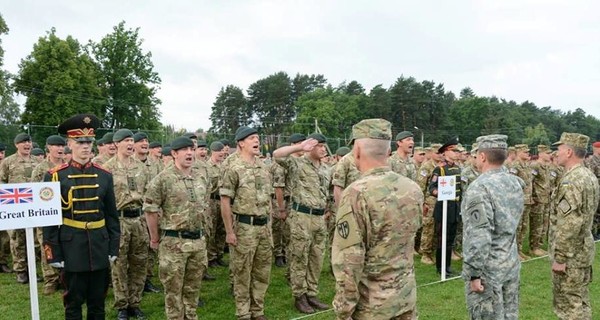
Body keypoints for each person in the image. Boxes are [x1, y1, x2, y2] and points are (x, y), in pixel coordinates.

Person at [332, 119, 422, 320]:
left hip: (372, 307)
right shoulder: (412, 189)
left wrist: (343, 310)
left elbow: (349, 261)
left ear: (356, 150)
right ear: (388, 150)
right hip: (405, 299)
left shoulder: (356, 193)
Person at [42, 114, 120, 319]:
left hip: (99, 244)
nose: (85, 146)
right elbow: (49, 220)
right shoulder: (55, 175)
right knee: (73, 303)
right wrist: (53, 253)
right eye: (80, 142)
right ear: (70, 143)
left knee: (98, 303)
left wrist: (113, 247)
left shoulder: (104, 175)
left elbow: (112, 216)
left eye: (89, 142)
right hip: (72, 245)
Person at [143, 136, 209, 320]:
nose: (190, 153)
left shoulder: (201, 177)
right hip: (174, 243)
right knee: (173, 291)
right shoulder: (162, 179)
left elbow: (204, 206)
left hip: (197, 242)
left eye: (191, 149)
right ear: (174, 154)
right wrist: (154, 238)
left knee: (193, 288)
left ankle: (191, 316)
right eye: (184, 150)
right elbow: (150, 210)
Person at [461, 134, 524, 319]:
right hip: (510, 260)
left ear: (482, 157)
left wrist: (474, 273)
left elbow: (479, 235)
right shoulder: (515, 182)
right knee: (509, 314)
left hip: (488, 268)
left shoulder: (479, 188)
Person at [273, 133, 331, 314]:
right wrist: (299, 147)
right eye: (319, 146)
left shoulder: (325, 168)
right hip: (301, 217)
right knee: (299, 257)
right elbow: (277, 154)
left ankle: (312, 293)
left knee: (316, 257)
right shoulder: (296, 163)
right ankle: (299, 296)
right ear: (310, 147)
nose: (323, 149)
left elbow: (326, 192)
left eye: (324, 146)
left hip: (319, 218)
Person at [220, 127, 272, 320]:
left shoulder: (263, 166)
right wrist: (229, 231)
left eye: (258, 137)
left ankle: (258, 311)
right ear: (241, 143)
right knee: (242, 271)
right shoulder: (232, 167)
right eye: (252, 138)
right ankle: (243, 312)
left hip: (264, 227)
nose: (257, 140)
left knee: (262, 271)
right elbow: (225, 201)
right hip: (244, 227)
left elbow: (268, 199)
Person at [549, 132, 599, 320]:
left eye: (559, 149)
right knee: (580, 300)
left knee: (570, 306)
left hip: (571, 254)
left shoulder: (572, 181)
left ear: (569, 152)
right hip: (582, 249)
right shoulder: (587, 174)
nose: (556, 153)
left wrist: (560, 257)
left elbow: (570, 222)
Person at [103, 129, 150, 319]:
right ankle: (122, 305)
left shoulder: (141, 167)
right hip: (118, 220)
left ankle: (135, 303)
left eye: (132, 140)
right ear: (116, 144)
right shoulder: (107, 168)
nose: (131, 144)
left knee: (139, 263)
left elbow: (148, 193)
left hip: (138, 220)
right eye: (126, 140)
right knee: (119, 264)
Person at [0, 132, 38, 283]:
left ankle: (32, 269)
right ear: (17, 145)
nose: (27, 145)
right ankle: (20, 271)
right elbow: (1, 182)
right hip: (15, 206)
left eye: (29, 142)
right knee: (17, 239)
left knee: (34, 239)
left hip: (34, 206)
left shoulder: (37, 161)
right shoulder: (8, 162)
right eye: (23, 142)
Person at [31, 135, 67, 295]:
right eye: (56, 146)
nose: (60, 149)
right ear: (48, 148)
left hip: (65, 212)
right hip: (46, 213)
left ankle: (64, 278)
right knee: (47, 245)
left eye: (62, 146)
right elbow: (35, 192)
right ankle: (50, 279)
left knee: (64, 245)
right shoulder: (40, 169)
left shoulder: (67, 166)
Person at [428, 137, 462, 276]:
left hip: (455, 206)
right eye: (453, 150)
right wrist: (441, 193)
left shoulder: (458, 168)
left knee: (450, 239)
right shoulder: (440, 169)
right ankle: (440, 267)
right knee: (442, 239)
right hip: (444, 207)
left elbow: (461, 189)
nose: (456, 153)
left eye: (457, 151)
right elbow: (432, 188)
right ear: (445, 152)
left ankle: (447, 267)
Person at [416, 143, 442, 265]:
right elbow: (420, 187)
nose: (439, 155)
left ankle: (435, 250)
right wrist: (422, 203)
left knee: (438, 227)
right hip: (430, 201)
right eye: (437, 153)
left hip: (441, 200)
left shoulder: (443, 166)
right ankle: (425, 253)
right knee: (428, 228)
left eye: (441, 153)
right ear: (431, 153)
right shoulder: (426, 167)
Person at [508, 144, 534, 260]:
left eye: (528, 152)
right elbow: (512, 184)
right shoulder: (515, 166)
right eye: (525, 152)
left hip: (527, 200)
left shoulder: (527, 165)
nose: (527, 154)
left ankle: (519, 249)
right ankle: (514, 252)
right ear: (518, 152)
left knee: (523, 227)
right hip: (518, 200)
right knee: (516, 227)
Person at [206, 141, 227, 267]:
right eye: (218, 151)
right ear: (212, 151)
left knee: (222, 228)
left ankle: (219, 254)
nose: (221, 153)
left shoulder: (225, 166)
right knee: (212, 229)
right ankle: (211, 257)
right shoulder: (207, 167)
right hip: (212, 200)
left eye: (222, 151)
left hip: (223, 200)